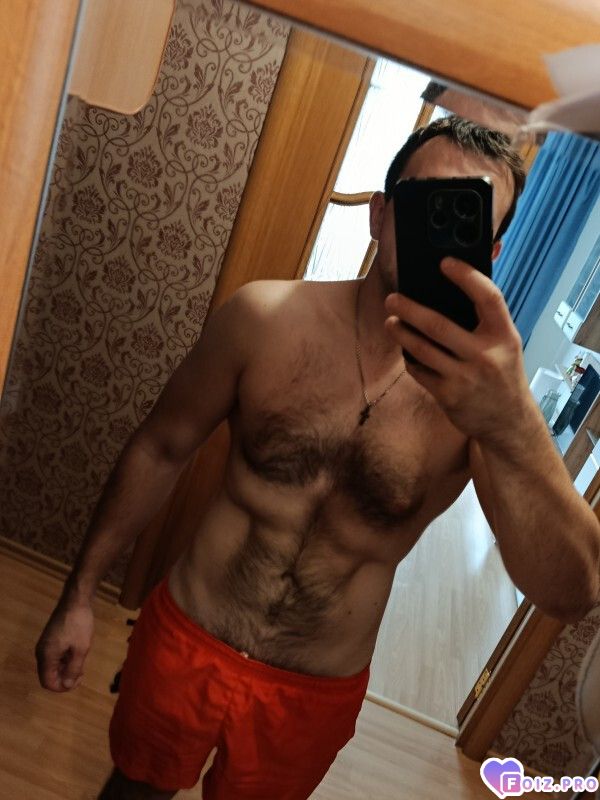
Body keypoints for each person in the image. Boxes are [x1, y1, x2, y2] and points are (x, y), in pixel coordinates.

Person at [35, 116, 600, 800]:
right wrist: (79, 596)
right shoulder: (264, 319)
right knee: (131, 791)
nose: (434, 230)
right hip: (188, 638)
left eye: (463, 218)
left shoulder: (481, 404)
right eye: (421, 202)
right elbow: (161, 447)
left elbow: (570, 590)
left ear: (493, 250)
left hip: (311, 693)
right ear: (380, 213)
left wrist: (511, 419)